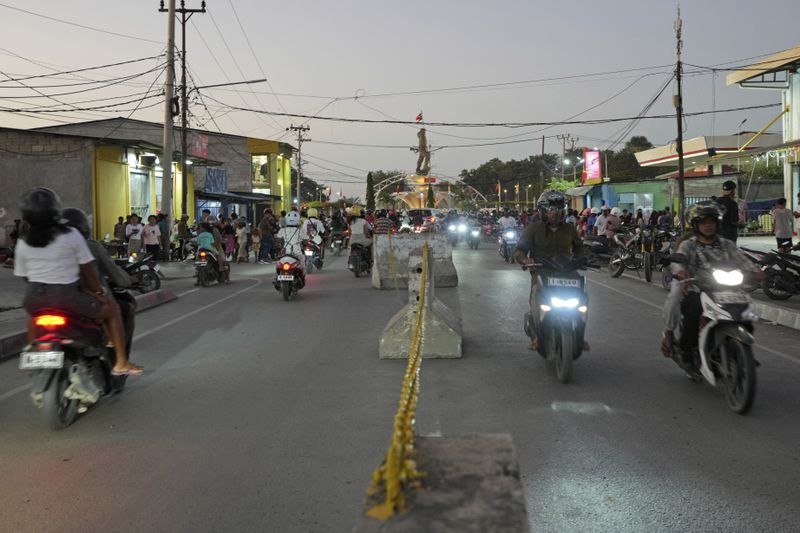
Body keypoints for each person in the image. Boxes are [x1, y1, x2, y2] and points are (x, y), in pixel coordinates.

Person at [13, 188, 142, 376]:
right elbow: (87, 269)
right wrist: (99, 292)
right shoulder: (71, 234)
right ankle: (121, 362)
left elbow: (25, 276)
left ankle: (34, 349)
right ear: (55, 210)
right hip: (68, 297)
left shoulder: (23, 242)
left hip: (34, 296)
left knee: (32, 313)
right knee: (112, 309)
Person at [660, 202, 756, 367]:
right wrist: (681, 271)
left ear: (717, 224)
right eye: (704, 222)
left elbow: (743, 261)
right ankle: (685, 347)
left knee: (745, 310)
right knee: (691, 308)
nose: (708, 225)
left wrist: (757, 272)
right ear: (696, 225)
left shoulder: (727, 245)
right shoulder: (688, 245)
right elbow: (679, 259)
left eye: (712, 222)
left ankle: (741, 348)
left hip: (726, 288)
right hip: (696, 287)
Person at [513, 190, 585, 351]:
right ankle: (537, 334)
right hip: (542, 271)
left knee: (582, 299)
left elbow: (580, 248)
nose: (556, 213)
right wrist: (525, 259)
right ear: (543, 210)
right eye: (552, 209)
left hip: (567, 271)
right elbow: (519, 250)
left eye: (559, 208)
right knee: (535, 299)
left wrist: (584, 258)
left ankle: (579, 334)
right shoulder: (533, 229)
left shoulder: (569, 229)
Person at [62, 207, 137, 357]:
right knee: (124, 309)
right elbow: (113, 273)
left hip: (53, 300)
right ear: (83, 228)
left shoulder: (49, 246)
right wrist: (129, 280)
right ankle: (120, 358)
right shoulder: (91, 247)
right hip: (85, 299)